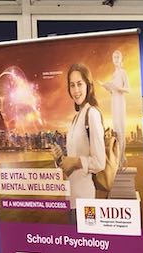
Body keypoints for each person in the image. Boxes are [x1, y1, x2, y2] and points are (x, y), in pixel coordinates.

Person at [50, 63, 105, 208]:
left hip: (86, 200)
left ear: (88, 85)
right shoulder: (76, 118)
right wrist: (60, 158)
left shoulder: (92, 114)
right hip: (72, 198)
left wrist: (75, 162)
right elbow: (71, 164)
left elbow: (100, 162)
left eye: (79, 84)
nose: (76, 90)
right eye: (72, 85)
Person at [102, 49, 129, 165]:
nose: (116, 60)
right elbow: (113, 91)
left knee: (121, 130)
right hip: (114, 100)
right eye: (114, 57)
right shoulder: (114, 74)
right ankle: (117, 157)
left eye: (118, 57)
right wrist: (108, 88)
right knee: (116, 130)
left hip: (120, 101)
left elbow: (128, 89)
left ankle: (122, 157)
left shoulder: (123, 72)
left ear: (121, 59)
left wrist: (118, 89)